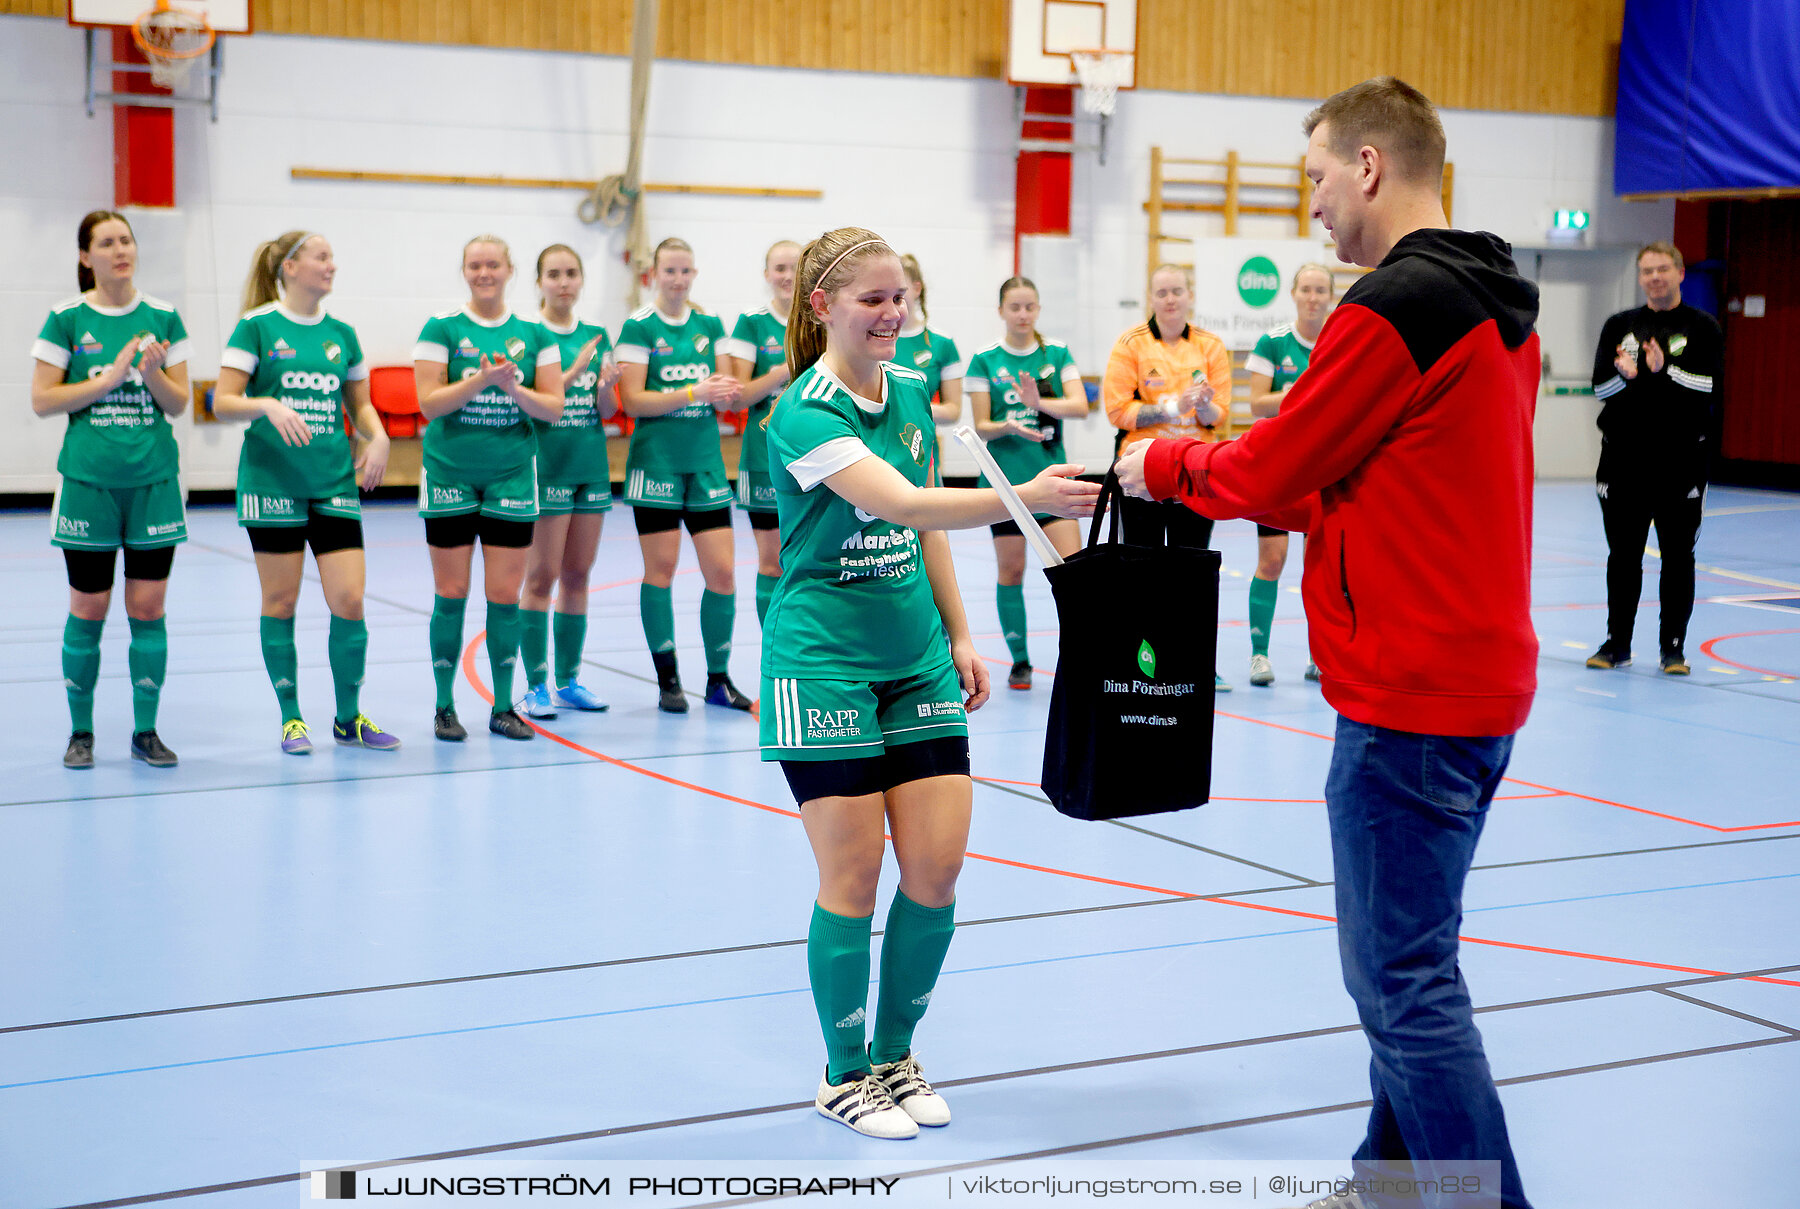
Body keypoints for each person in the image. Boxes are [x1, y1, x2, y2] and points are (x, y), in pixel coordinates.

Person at [1116, 77, 1538, 1209]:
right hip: (1477, 678)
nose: (1310, 203)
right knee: (1413, 962)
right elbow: (1370, 479)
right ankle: (1392, 1185)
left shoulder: (1393, 306)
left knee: (1402, 982)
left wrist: (1161, 468)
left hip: (1411, 693)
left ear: (1367, 166)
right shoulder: (1496, 301)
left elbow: (1270, 468)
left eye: (1313, 176)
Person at [762, 227, 1097, 1139]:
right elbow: (900, 504)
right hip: (822, 664)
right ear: (823, 306)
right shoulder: (801, 411)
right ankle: (843, 1072)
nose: (892, 314)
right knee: (854, 872)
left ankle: (895, 1054)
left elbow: (926, 532)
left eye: (900, 297)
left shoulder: (911, 392)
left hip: (915, 660)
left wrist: (957, 631)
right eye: (872, 299)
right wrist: (1033, 497)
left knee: (938, 867)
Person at [212, 230, 400, 754]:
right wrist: (268, 405)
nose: (331, 265)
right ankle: (292, 717)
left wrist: (378, 435)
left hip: (332, 481)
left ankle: (348, 717)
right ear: (290, 267)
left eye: (332, 257)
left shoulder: (343, 334)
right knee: (281, 599)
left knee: (350, 598)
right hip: (272, 482)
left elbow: (360, 405)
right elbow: (223, 400)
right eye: (322, 257)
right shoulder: (257, 327)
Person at [31, 211, 190, 770]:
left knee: (148, 606)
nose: (119, 249)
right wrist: (107, 376)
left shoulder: (164, 316)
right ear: (86, 256)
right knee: (89, 606)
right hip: (89, 484)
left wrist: (149, 373)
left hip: (152, 482)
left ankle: (145, 731)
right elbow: (43, 400)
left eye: (126, 239)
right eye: (106, 242)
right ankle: (81, 732)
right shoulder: (67, 318)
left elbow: (179, 402)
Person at [414, 235, 564, 742]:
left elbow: (553, 408)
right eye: (475, 265)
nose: (484, 273)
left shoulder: (533, 334)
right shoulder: (441, 327)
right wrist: (480, 382)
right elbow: (429, 403)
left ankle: (503, 706)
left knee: (504, 594)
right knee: (451, 592)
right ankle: (443, 706)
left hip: (512, 475)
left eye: (493, 264)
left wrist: (513, 388)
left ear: (509, 270)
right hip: (449, 472)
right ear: (464, 270)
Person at [616, 237, 753, 713]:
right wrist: (695, 391)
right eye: (669, 271)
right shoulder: (638, 326)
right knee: (661, 571)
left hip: (706, 462)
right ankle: (668, 680)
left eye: (685, 271)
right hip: (655, 465)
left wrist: (726, 392)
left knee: (722, 573)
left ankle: (719, 680)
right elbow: (631, 401)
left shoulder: (709, 324)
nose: (678, 279)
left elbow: (723, 390)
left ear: (695, 274)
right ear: (653, 274)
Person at [1586, 240, 1723, 676]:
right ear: (1640, 277)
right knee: (1622, 556)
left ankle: (1673, 648)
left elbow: (1709, 388)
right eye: (1647, 271)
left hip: (1680, 463)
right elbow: (1599, 389)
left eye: (1663, 269)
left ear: (1681, 273)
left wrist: (1665, 371)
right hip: (1623, 463)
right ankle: (1617, 643)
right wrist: (1625, 377)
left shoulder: (1703, 328)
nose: (1655, 278)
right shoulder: (1619, 326)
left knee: (1678, 556)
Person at [1102, 263, 1235, 691]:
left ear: (1190, 295)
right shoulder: (1132, 344)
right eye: (1162, 292)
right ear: (1152, 298)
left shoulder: (1212, 346)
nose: (1171, 299)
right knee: (1139, 568)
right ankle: (1138, 662)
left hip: (1193, 472)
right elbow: (1117, 411)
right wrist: (1172, 407)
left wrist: (1203, 406)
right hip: (1140, 471)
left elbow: (1220, 418)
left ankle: (1194, 661)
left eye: (1177, 291)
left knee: (1191, 568)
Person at [965, 276, 1088, 689]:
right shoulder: (984, 359)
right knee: (1011, 572)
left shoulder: (1056, 354)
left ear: (1038, 309)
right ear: (1001, 310)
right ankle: (1020, 661)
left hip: (1053, 480)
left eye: (1029, 307)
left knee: (1072, 571)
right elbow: (981, 426)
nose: (1022, 314)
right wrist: (1010, 425)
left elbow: (1080, 406)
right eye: (1015, 307)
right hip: (1005, 486)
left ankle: (1079, 655)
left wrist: (1040, 404)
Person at [518, 243, 621, 718]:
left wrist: (603, 387)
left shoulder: (598, 335)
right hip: (548, 464)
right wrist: (572, 372)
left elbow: (608, 412)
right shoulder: (528, 336)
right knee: (542, 576)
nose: (563, 282)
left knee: (579, 574)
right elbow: (532, 404)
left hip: (590, 464)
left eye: (571, 273)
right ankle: (536, 684)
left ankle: (569, 679)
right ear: (539, 282)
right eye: (554, 274)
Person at [1243, 263, 1335, 686]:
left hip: (1326, 467)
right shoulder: (1273, 342)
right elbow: (1258, 404)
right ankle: (1259, 655)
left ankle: (1321, 655)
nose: (1313, 297)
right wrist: (1306, 392)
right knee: (1272, 560)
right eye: (1306, 290)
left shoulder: (1340, 339)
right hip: (1279, 467)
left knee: (1323, 564)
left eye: (1321, 290)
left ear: (1330, 296)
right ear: (1294, 295)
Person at [721, 239, 799, 626]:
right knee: (772, 564)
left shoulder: (821, 319)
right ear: (767, 275)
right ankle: (773, 665)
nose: (787, 276)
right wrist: (786, 367)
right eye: (779, 268)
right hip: (765, 455)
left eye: (795, 267)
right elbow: (739, 397)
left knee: (810, 565)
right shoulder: (752, 323)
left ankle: (811, 666)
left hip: (815, 454)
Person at [892, 253, 965, 431]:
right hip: (876, 448)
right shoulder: (873, 338)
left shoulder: (941, 343)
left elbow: (953, 411)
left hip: (924, 449)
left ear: (917, 289)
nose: (893, 296)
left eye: (901, 290)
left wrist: (906, 407)